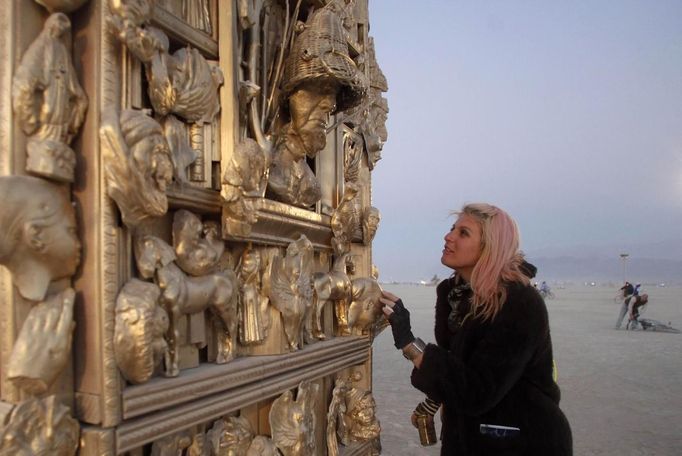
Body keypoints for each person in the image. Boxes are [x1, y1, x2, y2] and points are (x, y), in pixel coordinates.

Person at [378, 203, 572, 455]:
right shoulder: (456, 297)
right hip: (470, 437)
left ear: (490, 247)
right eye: (452, 229)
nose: (449, 237)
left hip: (520, 441)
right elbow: (456, 368)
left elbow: (477, 390)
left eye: (464, 233)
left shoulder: (518, 302)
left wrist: (409, 343)